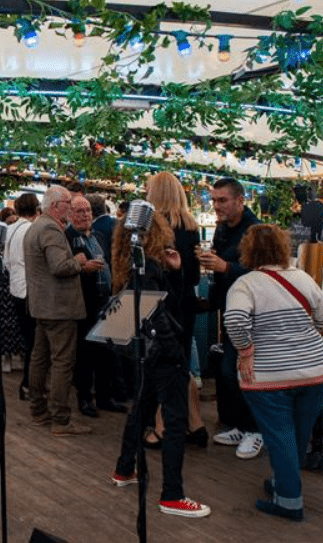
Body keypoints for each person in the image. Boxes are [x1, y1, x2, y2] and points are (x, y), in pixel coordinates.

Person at [224, 224, 323, 521]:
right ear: (282, 248)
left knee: (281, 437)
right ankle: (282, 482)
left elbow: (234, 319)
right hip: (318, 373)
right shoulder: (303, 277)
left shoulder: (246, 284)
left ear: (248, 250)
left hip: (270, 377)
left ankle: (288, 501)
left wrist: (246, 351)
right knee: (296, 435)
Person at [109, 212, 211, 518]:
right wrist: (175, 353)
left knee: (141, 408)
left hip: (147, 351)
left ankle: (125, 469)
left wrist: (176, 273)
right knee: (175, 420)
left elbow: (160, 304)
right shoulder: (148, 266)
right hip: (163, 352)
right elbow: (159, 312)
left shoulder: (131, 264)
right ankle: (172, 495)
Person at [198, 177, 263, 459]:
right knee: (227, 372)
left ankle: (256, 430)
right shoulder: (222, 228)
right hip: (229, 309)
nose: (216, 206)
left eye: (222, 200)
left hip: (253, 313)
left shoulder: (256, 231)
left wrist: (225, 266)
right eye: (213, 200)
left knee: (240, 371)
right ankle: (240, 425)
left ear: (240, 201)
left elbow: (262, 272)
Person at [145, 171, 207, 448]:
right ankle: (197, 425)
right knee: (182, 366)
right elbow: (194, 277)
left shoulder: (154, 227)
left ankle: (163, 427)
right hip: (186, 305)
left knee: (162, 366)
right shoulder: (192, 227)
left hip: (162, 305)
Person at [24, 186, 92, 436]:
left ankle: (38, 411)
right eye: (67, 203)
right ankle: (61, 420)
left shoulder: (36, 226)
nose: (70, 207)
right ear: (55, 206)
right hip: (59, 308)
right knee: (62, 363)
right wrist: (80, 262)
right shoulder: (50, 228)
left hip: (42, 306)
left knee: (39, 360)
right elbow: (60, 266)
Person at [65, 195, 123, 416]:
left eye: (88, 211)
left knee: (106, 351)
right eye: (79, 211)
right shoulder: (68, 237)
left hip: (104, 300)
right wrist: (82, 268)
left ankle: (105, 397)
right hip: (84, 301)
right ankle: (84, 399)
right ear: (70, 214)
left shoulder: (97, 235)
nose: (85, 215)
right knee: (85, 354)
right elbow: (65, 269)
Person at [4, 193, 38, 399]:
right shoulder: (33, 230)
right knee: (36, 342)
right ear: (36, 208)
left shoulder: (9, 230)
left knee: (28, 340)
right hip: (31, 291)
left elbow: (6, 262)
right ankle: (29, 383)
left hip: (16, 289)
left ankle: (28, 382)